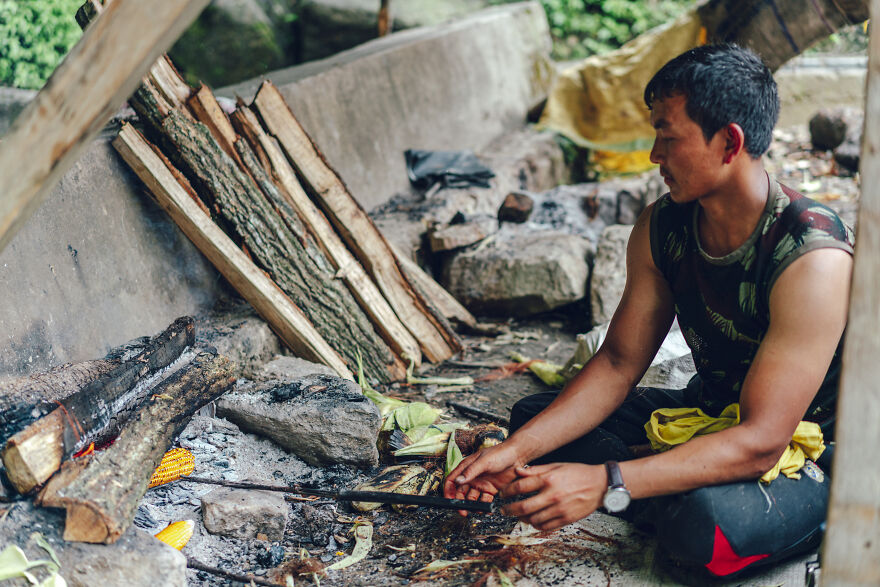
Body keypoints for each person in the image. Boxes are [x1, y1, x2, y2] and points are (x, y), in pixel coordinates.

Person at [444, 43, 854, 577]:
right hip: (711, 414)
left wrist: (606, 482)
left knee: (699, 530)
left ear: (729, 142)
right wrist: (512, 450)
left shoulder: (810, 256)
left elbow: (761, 441)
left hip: (810, 451)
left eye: (668, 135)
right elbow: (617, 363)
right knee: (531, 424)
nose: (655, 155)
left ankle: (704, 502)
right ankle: (657, 485)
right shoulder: (664, 226)